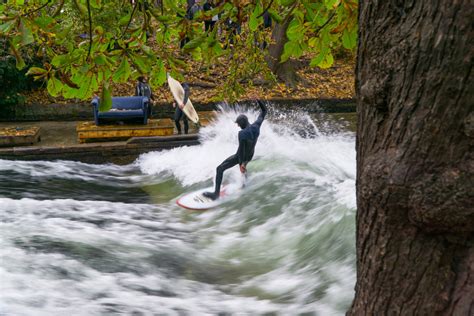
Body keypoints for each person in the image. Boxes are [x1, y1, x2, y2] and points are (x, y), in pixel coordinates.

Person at [203, 100, 267, 200]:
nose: (237, 126)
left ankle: (216, 194)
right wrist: (258, 100)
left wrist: (241, 163)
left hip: (241, 156)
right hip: (250, 155)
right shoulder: (256, 126)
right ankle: (244, 185)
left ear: (242, 123)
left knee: (219, 169)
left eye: (238, 124)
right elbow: (264, 111)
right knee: (243, 167)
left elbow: (241, 151)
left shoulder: (242, 134)